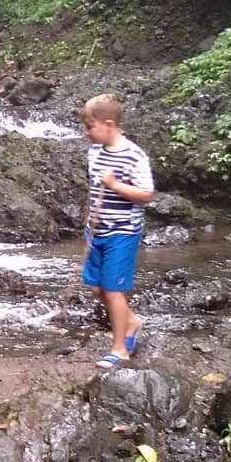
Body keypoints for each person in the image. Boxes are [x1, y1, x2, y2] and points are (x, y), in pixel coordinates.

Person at [79, 93, 154, 370]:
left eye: (90, 127)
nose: (87, 133)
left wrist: (115, 185)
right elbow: (92, 188)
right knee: (96, 286)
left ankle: (120, 348)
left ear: (108, 124)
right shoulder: (94, 151)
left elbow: (146, 194)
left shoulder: (134, 155)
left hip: (122, 231)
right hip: (96, 229)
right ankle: (132, 321)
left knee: (113, 290)